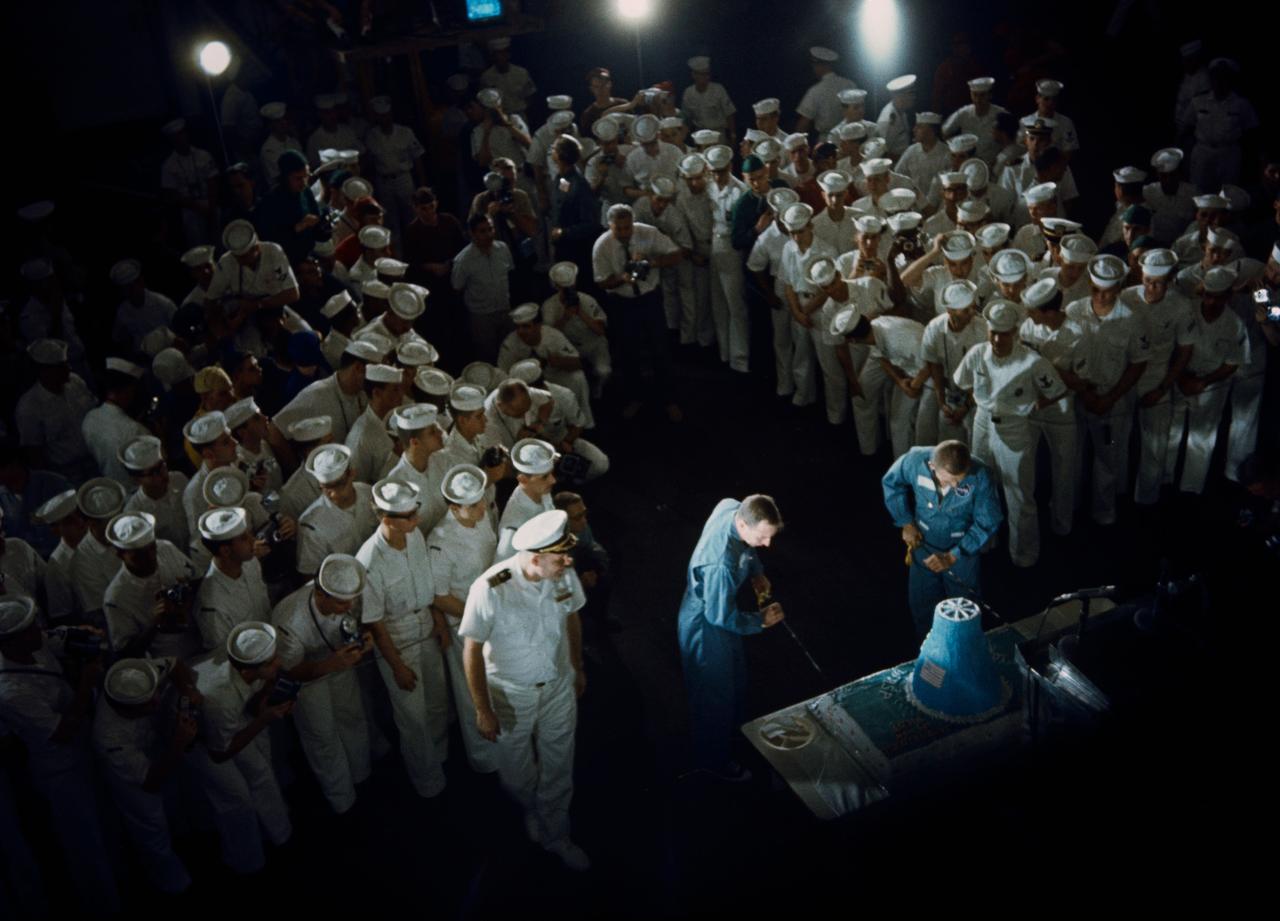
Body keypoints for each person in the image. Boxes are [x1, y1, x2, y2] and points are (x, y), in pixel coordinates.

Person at [460, 509, 590, 870]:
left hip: (557, 686)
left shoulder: (562, 574)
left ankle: (556, 834)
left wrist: (577, 666)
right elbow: (471, 650)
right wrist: (482, 709)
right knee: (516, 772)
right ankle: (530, 807)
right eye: (559, 558)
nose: (568, 562)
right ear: (535, 559)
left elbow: (572, 616)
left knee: (559, 764)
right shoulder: (490, 588)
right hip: (511, 694)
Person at [0, 599, 120, 913]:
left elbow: (60, 636)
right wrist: (86, 683)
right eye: (30, 630)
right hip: (60, 769)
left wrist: (83, 633)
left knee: (106, 824)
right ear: (10, 642)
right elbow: (61, 732)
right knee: (85, 841)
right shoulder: (11, 691)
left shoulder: (35, 646)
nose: (39, 632)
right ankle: (102, 904)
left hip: (83, 749)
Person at [677, 495, 785, 782]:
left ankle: (733, 735)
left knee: (735, 680)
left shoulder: (732, 507)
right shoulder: (720, 565)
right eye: (762, 537)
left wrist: (756, 572)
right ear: (743, 525)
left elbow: (747, 549)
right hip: (705, 626)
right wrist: (761, 620)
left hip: (720, 610)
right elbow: (720, 616)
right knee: (714, 698)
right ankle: (713, 762)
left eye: (770, 536)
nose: (767, 544)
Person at [953, 301, 1066, 567]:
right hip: (983, 422)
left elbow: (1058, 390)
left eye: (1004, 334)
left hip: (1015, 428)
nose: (997, 339)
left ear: (1015, 332)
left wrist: (1032, 406)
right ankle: (985, 540)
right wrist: (982, 402)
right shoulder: (977, 354)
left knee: (1019, 494)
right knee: (981, 485)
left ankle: (1024, 553)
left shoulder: (1032, 361)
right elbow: (961, 381)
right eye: (993, 332)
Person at [357, 478, 450, 799]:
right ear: (387, 519)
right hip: (397, 637)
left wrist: (438, 619)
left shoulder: (414, 536)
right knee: (413, 717)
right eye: (409, 516)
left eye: (415, 511)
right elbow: (375, 622)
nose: (417, 519)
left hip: (425, 623)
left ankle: (442, 757)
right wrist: (396, 665)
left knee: (437, 699)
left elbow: (426, 581)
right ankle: (428, 783)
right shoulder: (369, 561)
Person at [189, 620, 294, 874]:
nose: (279, 663)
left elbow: (254, 696)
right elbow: (219, 753)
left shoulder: (245, 664)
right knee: (237, 800)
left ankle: (281, 836)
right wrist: (264, 719)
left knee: (261, 773)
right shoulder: (220, 698)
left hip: (229, 722)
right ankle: (246, 862)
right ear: (250, 670)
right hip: (197, 741)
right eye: (272, 662)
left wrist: (268, 697)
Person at [272, 553, 373, 814]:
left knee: (352, 718)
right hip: (308, 678)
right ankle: (343, 800)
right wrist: (329, 665)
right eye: (341, 603)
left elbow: (355, 623)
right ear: (320, 593)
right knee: (323, 737)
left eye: (351, 600)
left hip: (339, 663)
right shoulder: (288, 619)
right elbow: (288, 671)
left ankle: (363, 776)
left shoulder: (348, 597)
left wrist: (362, 640)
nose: (349, 606)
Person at [92, 656, 199, 894]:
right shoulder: (109, 737)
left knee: (174, 804)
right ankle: (172, 884)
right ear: (124, 709)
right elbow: (150, 782)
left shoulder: (141, 675)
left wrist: (188, 690)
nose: (157, 702)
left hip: (153, 743)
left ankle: (187, 843)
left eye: (154, 695)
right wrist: (178, 744)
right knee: (151, 826)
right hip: (133, 780)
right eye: (147, 704)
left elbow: (173, 663)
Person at [881, 440, 1002, 637]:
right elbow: (891, 482)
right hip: (923, 544)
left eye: (960, 480)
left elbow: (988, 520)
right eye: (948, 480)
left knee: (965, 609)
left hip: (962, 551)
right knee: (922, 604)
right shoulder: (914, 461)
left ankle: (963, 647)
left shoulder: (981, 474)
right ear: (932, 466)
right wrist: (905, 522)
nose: (955, 486)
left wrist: (954, 555)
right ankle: (928, 645)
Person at [428, 464, 499, 774]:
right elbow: (439, 597)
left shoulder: (482, 517)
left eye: (482, 501)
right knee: (473, 692)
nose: (482, 509)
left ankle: (508, 749)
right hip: (465, 623)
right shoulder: (440, 542)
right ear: (454, 507)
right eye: (473, 506)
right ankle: (485, 759)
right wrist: (479, 614)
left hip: (493, 614)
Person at [592, 203, 684, 420]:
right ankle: (635, 397)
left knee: (660, 349)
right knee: (628, 352)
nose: (625, 233)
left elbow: (677, 254)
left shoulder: (648, 233)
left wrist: (652, 262)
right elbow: (601, 282)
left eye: (628, 227)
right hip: (621, 302)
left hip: (649, 298)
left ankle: (669, 399)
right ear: (610, 226)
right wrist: (621, 279)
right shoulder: (602, 246)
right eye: (619, 229)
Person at [102, 511, 201, 660]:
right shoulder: (115, 598)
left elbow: (198, 578)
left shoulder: (165, 548)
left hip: (200, 637)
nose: (150, 558)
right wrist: (154, 623)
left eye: (152, 548)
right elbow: (125, 654)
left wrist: (187, 590)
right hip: (170, 658)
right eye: (138, 555)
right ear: (120, 554)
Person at [452, 214, 516, 360]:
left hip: (505, 310)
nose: (488, 235)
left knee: (509, 352)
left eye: (490, 229)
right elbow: (457, 286)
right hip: (481, 317)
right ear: (472, 233)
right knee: (487, 355)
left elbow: (510, 273)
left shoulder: (503, 249)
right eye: (482, 231)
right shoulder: (464, 260)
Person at [795, 47, 858, 136]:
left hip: (827, 138)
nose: (813, 68)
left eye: (815, 65)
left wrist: (795, 141)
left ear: (820, 66)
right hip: (852, 136)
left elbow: (804, 123)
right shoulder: (850, 84)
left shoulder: (815, 90)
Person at [681, 56, 736, 144]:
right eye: (702, 74)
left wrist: (733, 134)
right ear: (694, 75)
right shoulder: (688, 93)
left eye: (707, 74)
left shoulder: (718, 89)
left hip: (718, 134)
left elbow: (729, 113)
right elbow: (686, 118)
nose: (706, 77)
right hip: (699, 135)